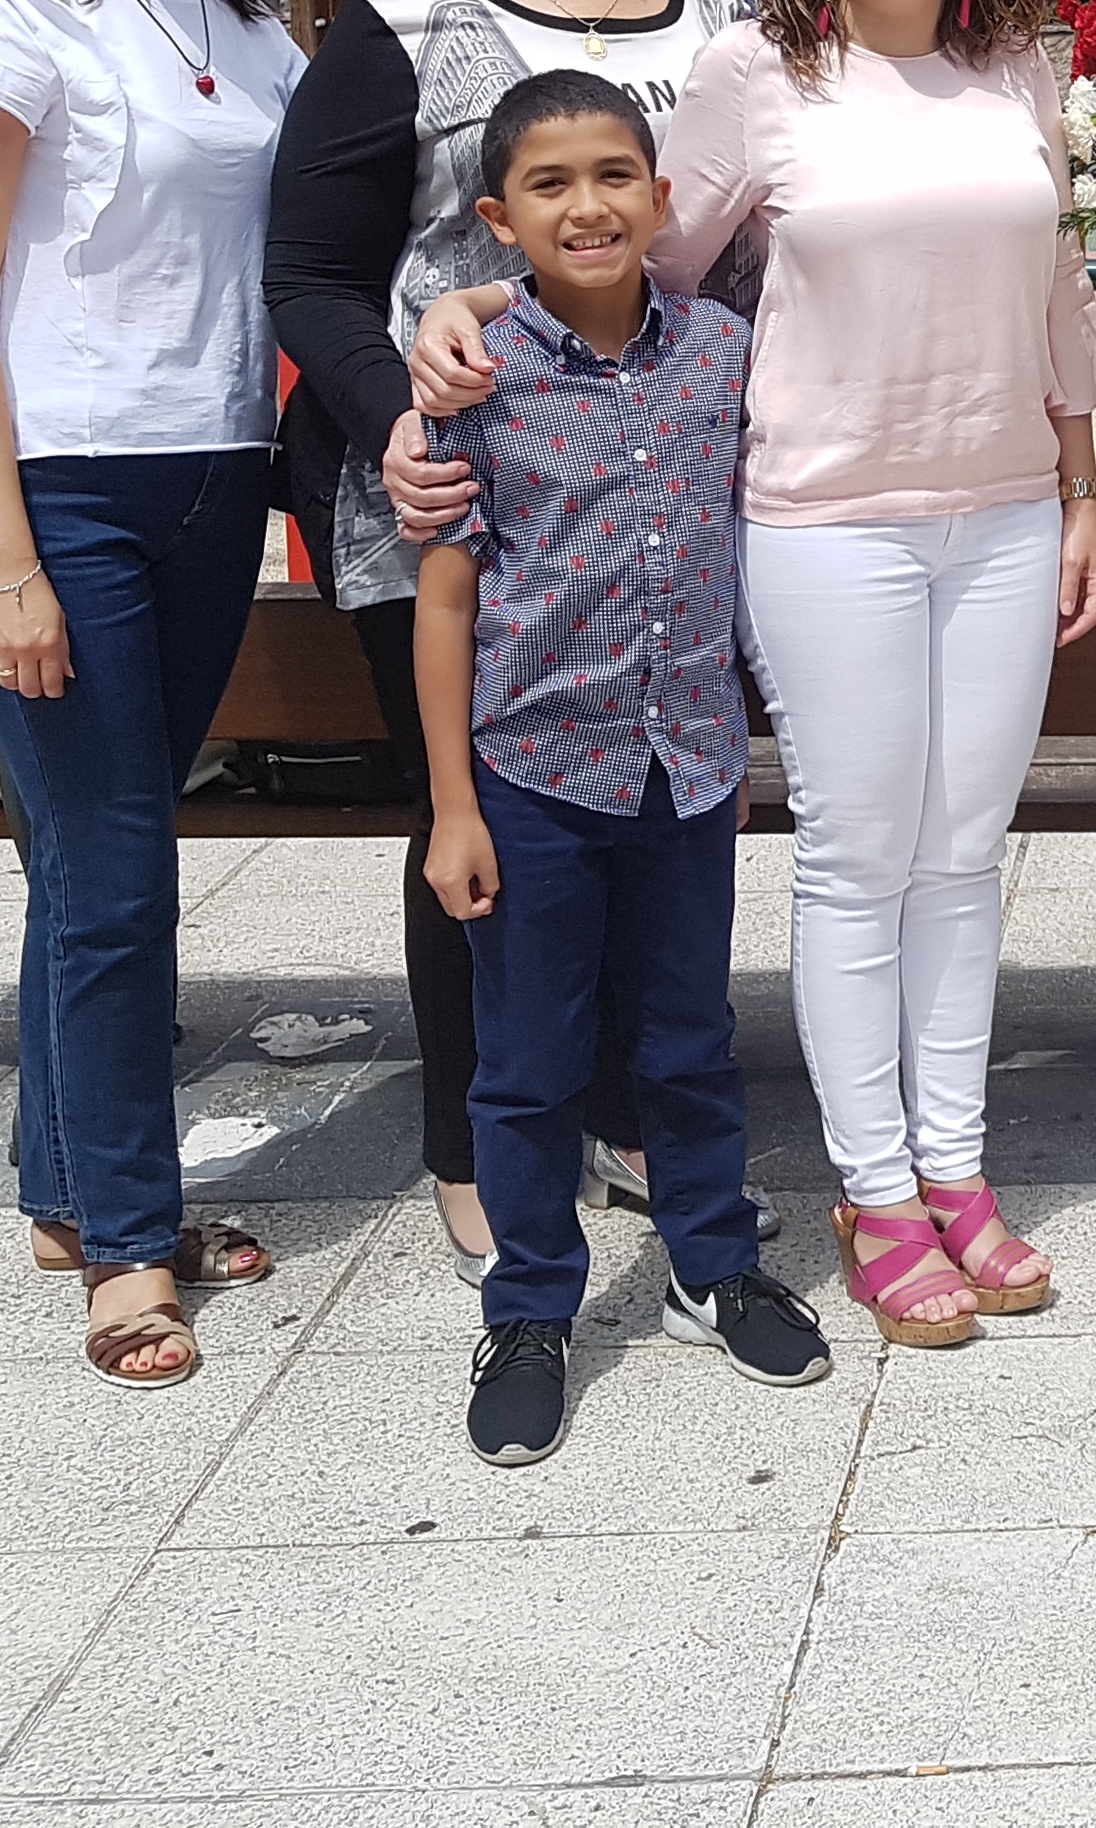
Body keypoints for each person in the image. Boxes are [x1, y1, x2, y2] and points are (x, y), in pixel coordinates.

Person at [409, 0, 1096, 1349]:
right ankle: (876, 1194)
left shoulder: (1019, 61)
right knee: (863, 861)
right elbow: (628, 253)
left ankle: (960, 1170)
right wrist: (463, 305)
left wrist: (1083, 493)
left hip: (1004, 512)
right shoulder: (758, 69)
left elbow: (1059, 290)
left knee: (963, 860)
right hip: (821, 521)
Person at [263, 0, 741, 1282]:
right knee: (480, 825)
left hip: (641, 495)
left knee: (635, 808)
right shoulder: (407, 3)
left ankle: (609, 1106)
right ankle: (474, 1137)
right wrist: (408, 399)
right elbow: (315, 269)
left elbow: (733, 243)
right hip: (442, 489)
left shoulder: (709, 5)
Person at [0, 0, 305, 1386]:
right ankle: (134, 1249)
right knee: (125, 873)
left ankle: (70, 1183)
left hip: (212, 472)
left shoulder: (251, 27)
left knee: (85, 866)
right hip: (55, 485)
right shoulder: (0, 10)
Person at [417, 71, 831, 1462]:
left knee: (688, 1038)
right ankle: (531, 1304)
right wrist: (454, 808)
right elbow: (448, 599)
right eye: (550, 184)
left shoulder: (720, 350)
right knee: (528, 1065)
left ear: (662, 198)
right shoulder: (481, 379)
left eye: (614, 176)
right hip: (534, 775)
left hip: (688, 769)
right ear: (499, 219)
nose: (587, 205)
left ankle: (712, 1266)